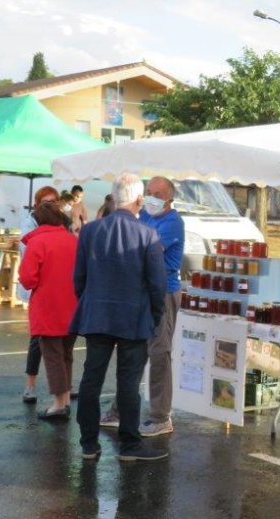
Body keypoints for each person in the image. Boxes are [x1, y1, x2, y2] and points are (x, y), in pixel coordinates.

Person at [71, 172, 169, 462]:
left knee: (92, 379)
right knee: (128, 383)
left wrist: (90, 304)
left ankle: (88, 443)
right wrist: (154, 314)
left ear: (113, 198)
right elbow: (157, 284)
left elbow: (79, 279)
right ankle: (129, 445)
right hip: (133, 318)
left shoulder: (90, 232)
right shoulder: (148, 234)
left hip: (98, 315)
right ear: (139, 200)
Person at [18, 201, 79, 420]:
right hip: (72, 306)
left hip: (47, 307)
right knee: (66, 356)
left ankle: (59, 404)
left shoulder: (37, 242)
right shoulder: (73, 241)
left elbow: (27, 279)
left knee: (53, 357)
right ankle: (64, 402)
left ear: (38, 220)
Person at [138, 177, 185, 436]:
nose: (151, 197)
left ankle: (160, 416)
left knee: (159, 353)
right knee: (133, 350)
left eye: (157, 193)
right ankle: (122, 409)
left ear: (169, 198)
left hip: (163, 293)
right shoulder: (144, 215)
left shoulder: (173, 222)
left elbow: (147, 250)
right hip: (141, 292)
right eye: (148, 192)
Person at [21, 186, 60, 404]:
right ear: (37, 204)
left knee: (63, 342)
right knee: (37, 340)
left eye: (54, 201)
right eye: (46, 202)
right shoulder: (30, 226)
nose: (50, 206)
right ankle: (30, 385)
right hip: (41, 292)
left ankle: (63, 389)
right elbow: (28, 269)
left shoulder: (62, 223)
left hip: (59, 292)